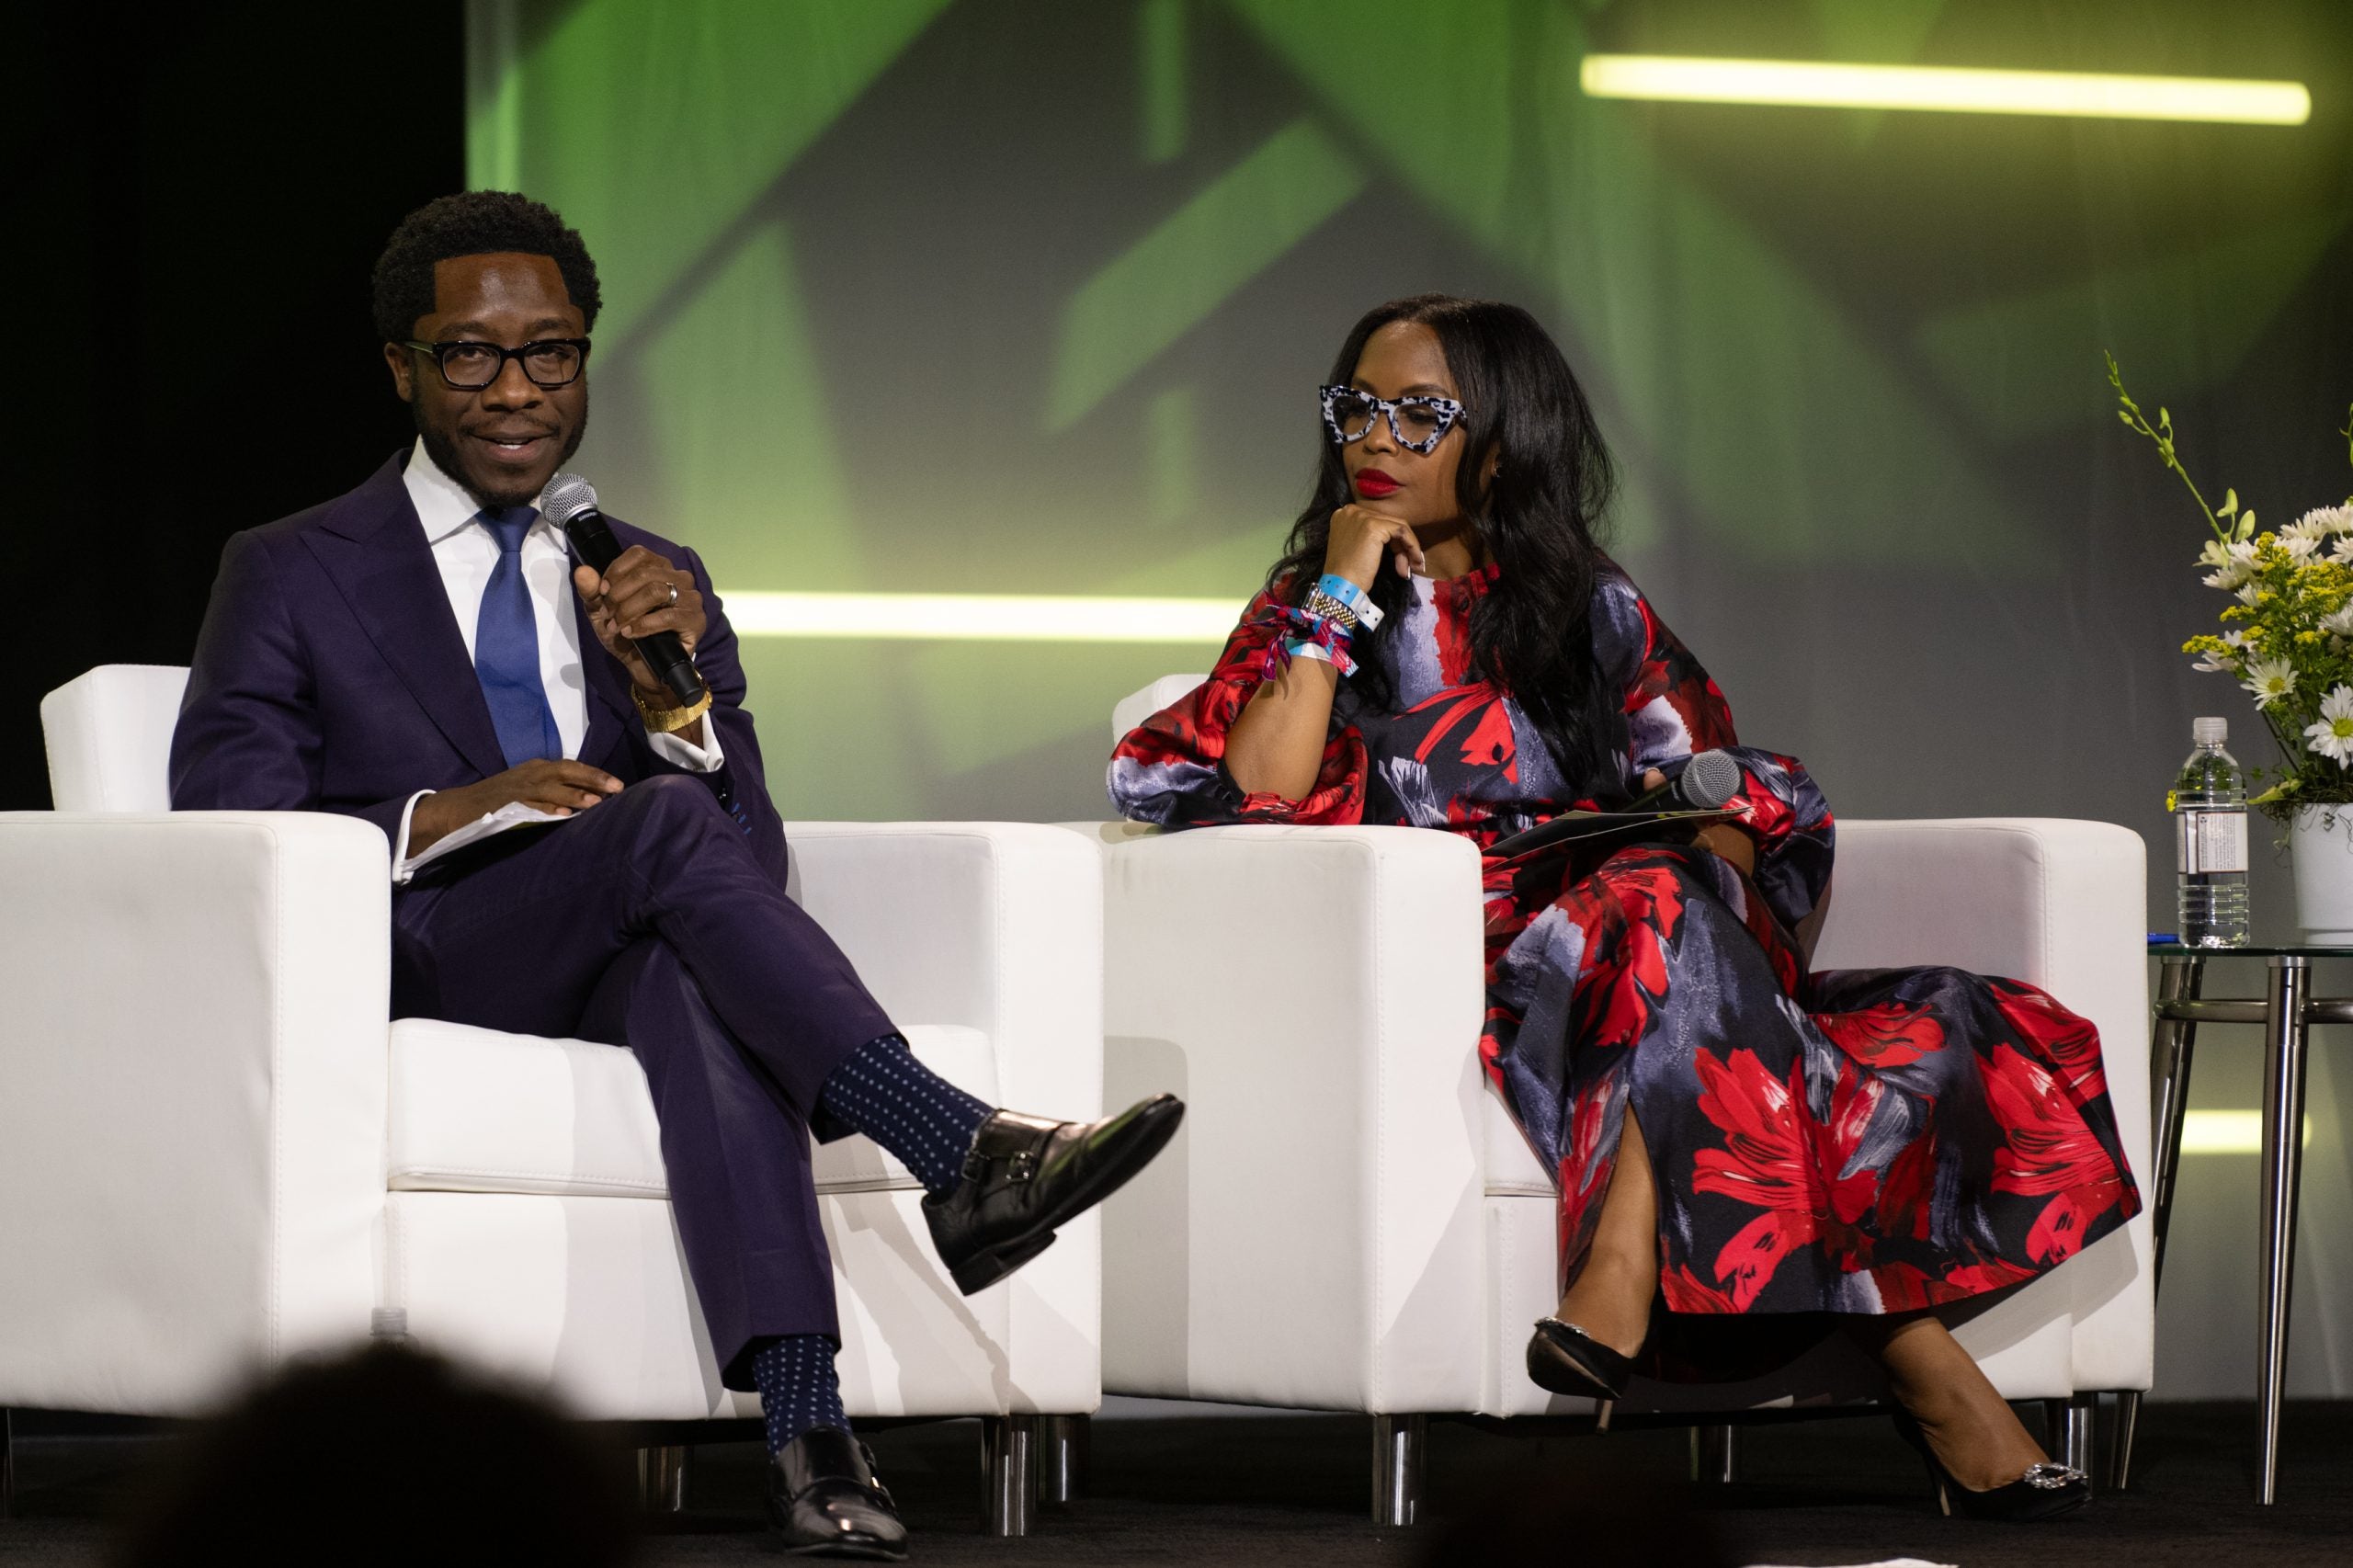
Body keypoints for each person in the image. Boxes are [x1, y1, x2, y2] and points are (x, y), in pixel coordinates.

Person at [170, 190, 1182, 1560]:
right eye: (471, 355)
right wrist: (457, 808)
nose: (517, 391)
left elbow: (747, 866)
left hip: (610, 952)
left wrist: (675, 709)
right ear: (402, 368)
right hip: (420, 948)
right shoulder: (291, 567)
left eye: (553, 353)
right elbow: (228, 820)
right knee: (651, 834)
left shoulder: (656, 578)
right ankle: (959, 1143)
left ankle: (806, 1427)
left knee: (693, 977)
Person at [1108, 294, 2138, 1523]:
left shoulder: (1585, 606)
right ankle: (1903, 1358)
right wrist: (1336, 592)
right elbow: (1261, 785)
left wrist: (1680, 839)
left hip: (1649, 936)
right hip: (1474, 964)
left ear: (1500, 441)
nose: (1375, 437)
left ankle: (1627, 1254)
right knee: (1681, 943)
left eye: (1420, 414)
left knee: (1908, 996)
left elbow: (1719, 785)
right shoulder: (1308, 616)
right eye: (1357, 407)